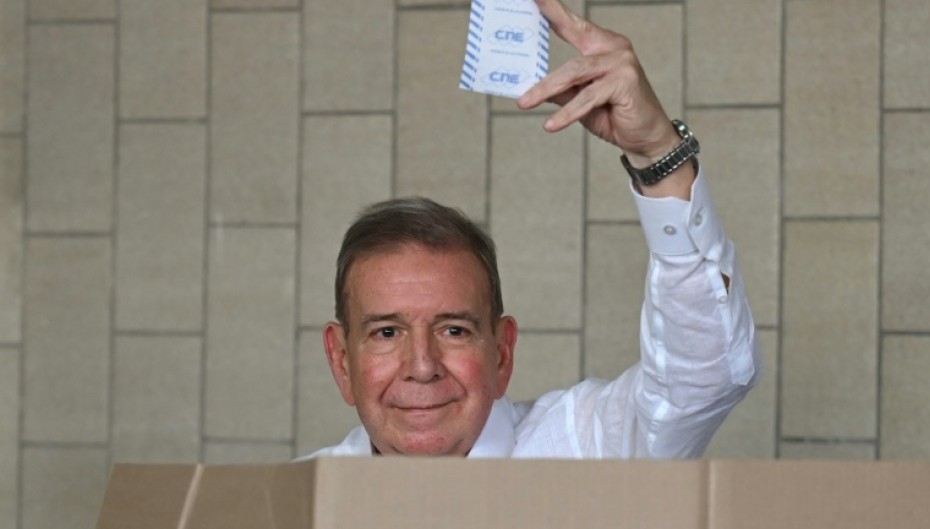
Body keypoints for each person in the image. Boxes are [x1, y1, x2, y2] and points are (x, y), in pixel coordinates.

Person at [298, 0, 759, 459]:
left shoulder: (586, 448)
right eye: (385, 333)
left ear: (502, 352)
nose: (422, 367)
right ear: (341, 360)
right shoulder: (288, 503)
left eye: (455, 330)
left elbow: (702, 378)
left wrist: (658, 152)